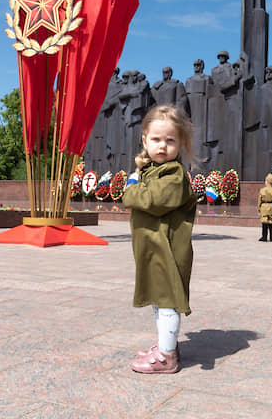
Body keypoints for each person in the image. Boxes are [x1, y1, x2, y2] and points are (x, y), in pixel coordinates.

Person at [122, 105, 196, 374]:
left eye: (170, 140)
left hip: (167, 249)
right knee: (158, 298)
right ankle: (167, 344)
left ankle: (166, 357)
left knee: (166, 301)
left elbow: (149, 200)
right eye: (156, 139)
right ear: (144, 139)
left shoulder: (173, 175)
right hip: (154, 247)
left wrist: (130, 187)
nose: (162, 146)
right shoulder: (154, 170)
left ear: (181, 143)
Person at [257, 173, 272, 242]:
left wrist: (259, 209)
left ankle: (264, 236)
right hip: (271, 207)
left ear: (267, 181)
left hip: (264, 206)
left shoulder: (262, 190)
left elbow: (259, 200)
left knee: (264, 221)